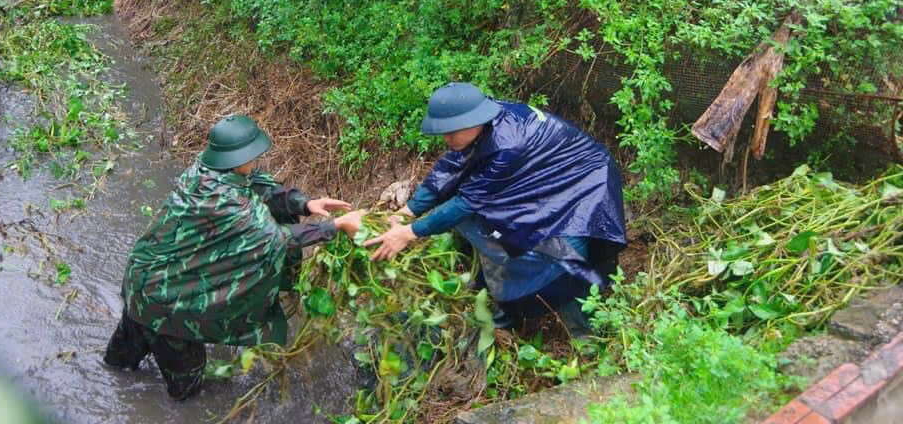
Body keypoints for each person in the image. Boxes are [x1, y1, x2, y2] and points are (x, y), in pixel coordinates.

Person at [103, 114, 365, 400]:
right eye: (251, 155)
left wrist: (305, 204)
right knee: (186, 388)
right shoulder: (227, 203)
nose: (255, 159)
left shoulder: (203, 172)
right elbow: (275, 240)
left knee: (118, 366)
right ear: (238, 157)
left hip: (140, 281)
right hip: (167, 305)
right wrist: (336, 226)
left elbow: (259, 188)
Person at [366, 82, 627, 332]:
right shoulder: (484, 118)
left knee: (561, 257)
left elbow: (466, 203)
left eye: (451, 132)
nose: (446, 138)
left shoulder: (507, 146)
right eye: (444, 131)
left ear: (472, 122)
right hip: (541, 181)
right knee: (491, 229)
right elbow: (450, 168)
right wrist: (408, 211)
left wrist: (409, 232)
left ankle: (586, 334)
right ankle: (508, 304)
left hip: (584, 184)